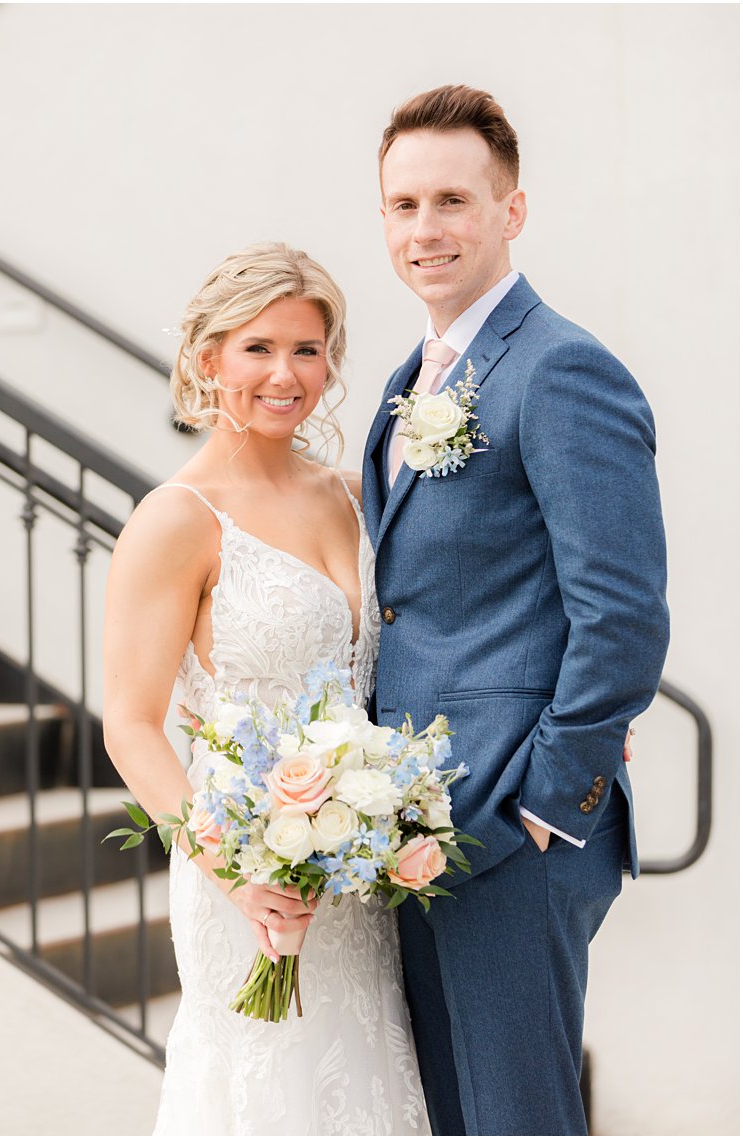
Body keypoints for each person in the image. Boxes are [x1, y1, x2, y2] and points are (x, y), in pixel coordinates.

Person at [365, 85, 667, 1135]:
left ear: (511, 210)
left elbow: (621, 614)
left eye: (451, 199)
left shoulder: (561, 368)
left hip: (511, 827)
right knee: (449, 1111)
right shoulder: (409, 379)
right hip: (416, 826)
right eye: (402, 206)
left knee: (514, 1117)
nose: (425, 229)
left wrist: (547, 803)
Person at [103, 242, 428, 1135]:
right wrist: (240, 872)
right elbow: (130, 725)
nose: (286, 374)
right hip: (243, 875)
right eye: (258, 348)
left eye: (308, 350)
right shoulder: (175, 519)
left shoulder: (356, 494)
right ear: (208, 358)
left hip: (356, 879)